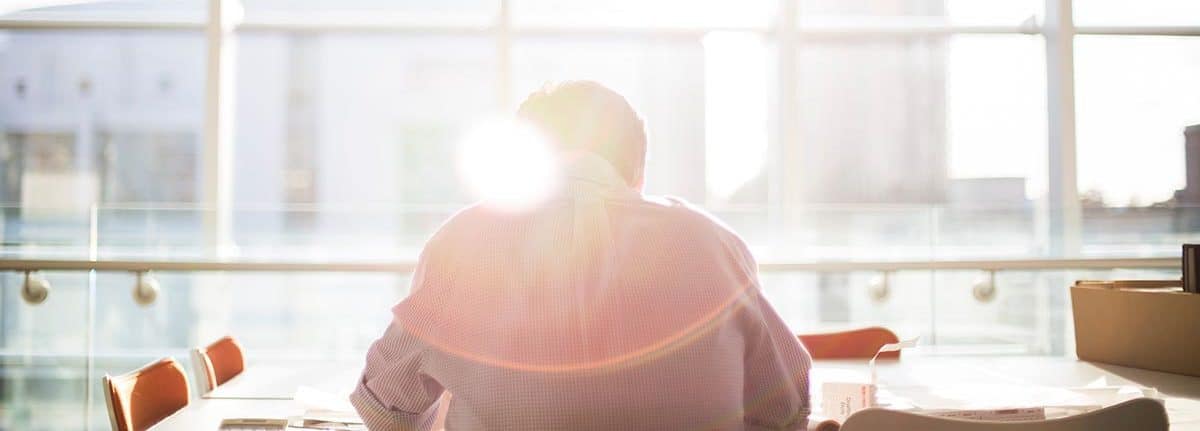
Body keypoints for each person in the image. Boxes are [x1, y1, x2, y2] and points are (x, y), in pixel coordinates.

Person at [351, 81, 811, 430]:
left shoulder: (463, 242)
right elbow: (787, 406)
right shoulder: (713, 245)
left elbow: (384, 407)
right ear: (638, 170)